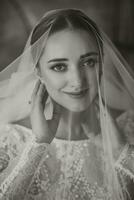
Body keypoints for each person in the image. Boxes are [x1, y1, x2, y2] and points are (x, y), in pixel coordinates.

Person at [0, 8, 134, 200]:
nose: (78, 81)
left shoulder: (129, 125)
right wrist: (38, 146)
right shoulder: (9, 139)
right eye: (59, 66)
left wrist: (122, 152)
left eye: (88, 62)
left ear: (102, 63)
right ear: (37, 71)